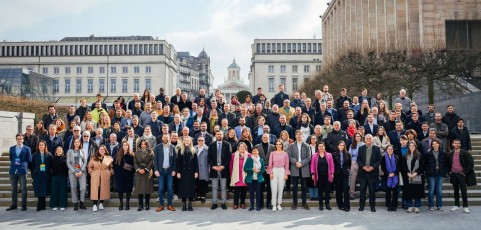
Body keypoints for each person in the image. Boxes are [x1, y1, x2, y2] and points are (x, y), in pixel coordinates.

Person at [447, 139, 476, 213]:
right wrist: (449, 171)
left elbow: (471, 164)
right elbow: (448, 164)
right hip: (453, 174)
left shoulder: (465, 153)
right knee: (455, 191)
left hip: (461, 175)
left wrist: (464, 172)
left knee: (463, 191)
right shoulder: (450, 154)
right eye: (455, 143)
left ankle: (465, 206)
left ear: (460, 145)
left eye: (458, 143)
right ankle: (456, 205)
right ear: (453, 144)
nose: (456, 144)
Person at [357, 134, 382, 212]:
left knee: (372, 191)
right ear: (365, 140)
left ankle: (372, 206)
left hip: (373, 172)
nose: (368, 140)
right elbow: (358, 159)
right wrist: (363, 167)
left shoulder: (377, 149)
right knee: (362, 190)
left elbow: (379, 160)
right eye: (367, 139)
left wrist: (372, 167)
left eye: (370, 139)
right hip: (363, 172)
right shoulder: (361, 148)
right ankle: (361, 206)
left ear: (372, 140)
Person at [208, 130, 232, 210]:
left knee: (223, 187)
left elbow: (229, 157)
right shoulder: (211, 145)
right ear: (215, 135)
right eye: (217, 134)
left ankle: (223, 202)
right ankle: (214, 203)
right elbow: (209, 157)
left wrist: (223, 166)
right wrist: (213, 166)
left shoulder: (227, 144)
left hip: (223, 169)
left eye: (220, 134)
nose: (219, 135)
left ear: (223, 135)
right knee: (214, 187)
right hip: (214, 169)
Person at [288, 130, 311, 210]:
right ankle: (295, 203)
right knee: (294, 187)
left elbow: (309, 157)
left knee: (304, 187)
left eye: (300, 134)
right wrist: (296, 162)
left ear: (302, 136)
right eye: (297, 134)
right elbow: (289, 156)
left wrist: (301, 163)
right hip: (295, 167)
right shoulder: (291, 145)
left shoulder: (307, 145)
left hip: (304, 167)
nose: (298, 136)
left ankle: (304, 203)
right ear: (295, 136)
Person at [153, 134, 177, 212]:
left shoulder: (172, 147)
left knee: (170, 188)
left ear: (169, 138)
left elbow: (174, 160)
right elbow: (155, 159)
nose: (165, 138)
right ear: (162, 138)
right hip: (161, 171)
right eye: (164, 137)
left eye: (167, 137)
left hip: (170, 171)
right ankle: (161, 205)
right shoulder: (157, 147)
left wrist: (174, 170)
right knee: (161, 188)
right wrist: (156, 170)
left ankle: (169, 205)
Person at [88, 145, 114, 212]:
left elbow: (111, 167)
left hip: (105, 175)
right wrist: (92, 173)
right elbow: (89, 167)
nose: (102, 150)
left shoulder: (109, 158)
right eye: (100, 149)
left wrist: (110, 172)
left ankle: (101, 203)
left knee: (103, 190)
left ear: (105, 150)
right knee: (96, 190)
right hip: (95, 176)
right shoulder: (93, 158)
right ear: (98, 150)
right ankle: (94, 205)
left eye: (103, 149)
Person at [310, 142, 334, 211]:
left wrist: (332, 173)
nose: (321, 148)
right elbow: (312, 165)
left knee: (327, 190)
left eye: (322, 146)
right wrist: (312, 174)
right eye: (319, 146)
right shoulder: (314, 155)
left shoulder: (329, 155)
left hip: (327, 175)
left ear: (324, 147)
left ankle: (327, 204)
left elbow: (332, 165)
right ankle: (321, 204)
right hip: (318, 175)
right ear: (318, 148)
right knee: (320, 190)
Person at [402, 141, 425, 213]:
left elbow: (422, 166)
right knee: (408, 192)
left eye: (413, 146)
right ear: (408, 147)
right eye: (410, 146)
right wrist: (408, 173)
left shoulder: (419, 155)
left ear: (415, 147)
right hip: (408, 177)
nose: (412, 147)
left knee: (417, 192)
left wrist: (415, 173)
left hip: (417, 176)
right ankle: (410, 206)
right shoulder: (405, 156)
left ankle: (417, 206)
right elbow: (403, 167)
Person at [176, 137, 199, 211]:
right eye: (185, 140)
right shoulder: (180, 150)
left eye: (188, 140)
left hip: (191, 172)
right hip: (182, 172)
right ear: (183, 142)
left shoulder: (193, 150)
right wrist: (178, 172)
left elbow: (196, 162)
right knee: (183, 188)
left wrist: (196, 171)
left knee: (191, 188)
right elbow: (178, 162)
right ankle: (184, 204)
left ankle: (190, 204)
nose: (187, 141)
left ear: (190, 142)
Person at [268, 140, 290, 212]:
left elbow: (287, 164)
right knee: (274, 189)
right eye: (277, 144)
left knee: (281, 189)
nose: (278, 145)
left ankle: (279, 204)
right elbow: (270, 164)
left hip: (282, 170)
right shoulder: (272, 153)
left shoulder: (285, 153)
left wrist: (286, 174)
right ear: (275, 145)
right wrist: (271, 172)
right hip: (274, 170)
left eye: (280, 144)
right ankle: (274, 204)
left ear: (282, 145)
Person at [30, 140, 52, 211]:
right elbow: (32, 166)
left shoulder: (49, 154)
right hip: (37, 174)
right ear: (38, 146)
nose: (41, 146)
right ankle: (40, 204)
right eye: (40, 145)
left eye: (42, 145)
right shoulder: (35, 155)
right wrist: (32, 175)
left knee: (44, 189)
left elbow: (51, 165)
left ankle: (42, 205)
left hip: (46, 175)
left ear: (45, 146)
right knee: (39, 189)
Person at [425, 139, 447, 211]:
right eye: (433, 144)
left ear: (439, 144)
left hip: (440, 173)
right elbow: (425, 164)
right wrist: (428, 171)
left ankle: (439, 205)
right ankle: (431, 206)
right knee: (431, 190)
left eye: (436, 143)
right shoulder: (428, 153)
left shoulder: (443, 153)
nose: (435, 145)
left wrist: (444, 172)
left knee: (439, 190)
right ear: (431, 145)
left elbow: (447, 164)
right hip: (431, 174)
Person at [66, 138, 88, 211]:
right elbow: (68, 163)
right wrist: (74, 172)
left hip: (81, 171)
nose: (76, 143)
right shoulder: (70, 151)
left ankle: (82, 203)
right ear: (73, 143)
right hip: (73, 171)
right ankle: (75, 204)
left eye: (78, 142)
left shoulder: (83, 151)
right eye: (75, 142)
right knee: (73, 188)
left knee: (83, 188)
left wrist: (81, 171)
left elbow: (85, 161)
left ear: (80, 143)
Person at [113, 141, 135, 210]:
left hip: (128, 175)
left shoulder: (131, 155)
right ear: (122, 146)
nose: (125, 146)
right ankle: (121, 203)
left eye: (126, 145)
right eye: (124, 145)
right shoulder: (118, 155)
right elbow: (114, 165)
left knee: (128, 190)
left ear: (128, 146)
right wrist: (116, 173)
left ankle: (127, 203)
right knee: (120, 190)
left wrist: (132, 171)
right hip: (119, 175)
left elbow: (134, 165)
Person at [134, 140, 154, 211]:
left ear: (147, 145)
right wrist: (138, 169)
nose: (143, 145)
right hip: (139, 172)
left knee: (147, 189)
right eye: (142, 144)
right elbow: (135, 162)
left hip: (147, 172)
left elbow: (152, 161)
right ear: (140, 145)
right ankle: (140, 205)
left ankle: (147, 205)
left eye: (144, 144)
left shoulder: (150, 152)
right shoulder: (136, 153)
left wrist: (146, 169)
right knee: (140, 190)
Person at [229, 142, 250, 210]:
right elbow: (231, 165)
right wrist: (231, 175)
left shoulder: (249, 155)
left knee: (244, 191)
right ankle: (235, 204)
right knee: (236, 191)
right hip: (236, 175)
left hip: (245, 175)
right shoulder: (234, 155)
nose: (242, 147)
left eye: (243, 146)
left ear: (245, 147)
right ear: (238, 147)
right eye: (241, 146)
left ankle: (242, 203)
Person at [244, 146, 265, 211]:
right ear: (251, 152)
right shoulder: (249, 159)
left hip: (258, 179)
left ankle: (258, 206)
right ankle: (252, 206)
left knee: (258, 193)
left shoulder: (261, 160)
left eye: (256, 150)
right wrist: (252, 169)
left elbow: (263, 169)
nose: (255, 152)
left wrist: (259, 171)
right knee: (251, 193)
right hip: (251, 179)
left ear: (258, 152)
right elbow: (245, 169)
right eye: (253, 151)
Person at [333, 141, 352, 211]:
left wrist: (346, 170)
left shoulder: (347, 154)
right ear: (338, 146)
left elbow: (349, 164)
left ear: (344, 146)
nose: (341, 146)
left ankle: (347, 206)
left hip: (345, 174)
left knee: (346, 190)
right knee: (338, 190)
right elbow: (333, 164)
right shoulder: (334, 154)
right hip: (337, 174)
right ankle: (340, 205)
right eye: (340, 145)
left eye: (343, 145)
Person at [380, 145, 400, 211]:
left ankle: (394, 205)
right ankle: (389, 205)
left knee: (395, 192)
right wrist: (388, 174)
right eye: (389, 149)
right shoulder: (383, 158)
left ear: (393, 150)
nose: (390, 150)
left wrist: (394, 173)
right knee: (388, 192)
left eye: (391, 149)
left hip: (395, 176)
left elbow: (399, 167)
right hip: (387, 177)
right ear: (386, 150)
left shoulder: (397, 157)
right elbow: (383, 167)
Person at [50, 146, 68, 211]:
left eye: (60, 149)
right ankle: (55, 205)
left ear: (62, 151)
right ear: (56, 151)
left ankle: (63, 205)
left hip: (63, 176)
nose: (59, 150)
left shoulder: (65, 158)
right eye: (58, 149)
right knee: (54, 191)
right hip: (54, 176)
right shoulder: (52, 159)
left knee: (63, 191)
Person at [349, 132, 364, 199]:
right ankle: (352, 193)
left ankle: (364, 193)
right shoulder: (352, 145)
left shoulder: (364, 145)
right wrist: (352, 162)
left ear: (361, 137)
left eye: (359, 136)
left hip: (362, 163)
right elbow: (350, 155)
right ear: (354, 138)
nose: (358, 137)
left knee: (364, 178)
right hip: (354, 162)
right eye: (356, 136)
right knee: (352, 178)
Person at [194, 136, 209, 203]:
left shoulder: (207, 149)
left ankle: (203, 196)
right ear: (197, 141)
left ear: (204, 141)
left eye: (202, 140)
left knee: (203, 183)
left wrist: (209, 168)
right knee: (197, 182)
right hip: (196, 168)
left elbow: (209, 160)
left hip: (204, 168)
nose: (201, 142)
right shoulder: (194, 148)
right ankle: (198, 196)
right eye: (199, 140)